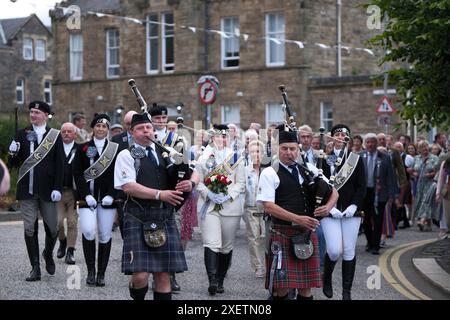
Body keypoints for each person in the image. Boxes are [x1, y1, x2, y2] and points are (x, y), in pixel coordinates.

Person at [114, 113, 191, 300]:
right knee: (140, 275)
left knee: (163, 274)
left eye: (148, 127)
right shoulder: (126, 154)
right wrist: (159, 194)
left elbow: (192, 171)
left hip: (164, 216)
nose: (146, 131)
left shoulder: (165, 152)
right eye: (140, 128)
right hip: (138, 215)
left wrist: (192, 183)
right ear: (132, 133)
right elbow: (128, 186)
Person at [257, 124, 338, 300]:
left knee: (306, 288)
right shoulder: (270, 172)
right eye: (284, 148)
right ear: (278, 149)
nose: (289, 152)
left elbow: (334, 192)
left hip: (306, 234)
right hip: (283, 232)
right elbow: (268, 206)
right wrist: (298, 218)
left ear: (298, 148)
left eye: (292, 148)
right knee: (282, 289)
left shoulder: (309, 168)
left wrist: (328, 207)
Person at [8, 101, 64, 281]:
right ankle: (35, 268)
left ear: (46, 115)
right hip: (27, 190)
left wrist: (57, 187)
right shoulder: (21, 133)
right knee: (29, 228)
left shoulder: (54, 136)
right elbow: (14, 165)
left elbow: (60, 165)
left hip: (48, 191)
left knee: (53, 229)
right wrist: (13, 154)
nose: (33, 115)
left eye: (37, 112)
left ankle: (47, 254)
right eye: (31, 112)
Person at [196, 124, 246, 295]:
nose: (221, 139)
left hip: (230, 207)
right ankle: (212, 280)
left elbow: (241, 183)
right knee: (211, 243)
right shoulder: (203, 157)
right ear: (212, 138)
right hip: (208, 206)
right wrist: (208, 193)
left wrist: (228, 195)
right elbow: (198, 181)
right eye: (218, 136)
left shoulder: (236, 158)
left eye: (224, 136)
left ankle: (221, 279)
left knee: (226, 246)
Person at [321, 124, 366, 300]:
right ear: (331, 138)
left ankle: (346, 292)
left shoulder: (355, 159)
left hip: (349, 211)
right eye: (337, 134)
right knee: (333, 250)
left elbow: (362, 186)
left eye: (344, 135)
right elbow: (318, 187)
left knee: (348, 250)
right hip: (329, 210)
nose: (340, 137)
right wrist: (329, 207)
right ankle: (327, 278)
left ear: (348, 139)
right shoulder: (323, 158)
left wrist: (354, 206)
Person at [73, 113, 119, 287]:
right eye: (98, 126)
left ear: (107, 130)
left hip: (107, 200)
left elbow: (119, 173)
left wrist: (112, 194)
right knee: (88, 231)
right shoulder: (83, 148)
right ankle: (90, 272)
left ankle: (101, 274)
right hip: (88, 200)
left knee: (105, 235)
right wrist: (86, 194)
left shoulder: (114, 150)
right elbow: (77, 173)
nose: (101, 129)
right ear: (93, 128)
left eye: (104, 127)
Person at [361, 133, 397, 255]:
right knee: (365, 220)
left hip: (380, 193)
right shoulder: (360, 156)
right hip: (365, 193)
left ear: (377, 144)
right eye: (368, 142)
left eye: (372, 142)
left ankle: (375, 245)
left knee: (378, 219)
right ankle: (369, 241)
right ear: (365, 144)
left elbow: (390, 176)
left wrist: (392, 195)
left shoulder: (385, 157)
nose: (370, 144)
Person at [111, 110, 138, 237]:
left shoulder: (144, 137)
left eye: (132, 123)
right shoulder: (116, 139)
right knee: (123, 219)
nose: (129, 126)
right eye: (127, 123)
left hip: (141, 184)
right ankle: (127, 248)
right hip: (122, 187)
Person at [56, 123, 79, 265]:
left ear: (75, 134)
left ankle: (70, 251)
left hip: (73, 192)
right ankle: (62, 241)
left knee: (72, 222)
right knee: (57, 222)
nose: (66, 133)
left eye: (69, 131)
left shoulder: (81, 149)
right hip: (58, 192)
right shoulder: (55, 149)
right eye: (63, 131)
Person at [243, 140, 266, 278]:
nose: (255, 154)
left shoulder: (268, 170)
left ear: (262, 153)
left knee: (264, 236)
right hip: (251, 208)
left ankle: (267, 263)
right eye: (252, 151)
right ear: (248, 153)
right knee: (254, 237)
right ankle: (257, 266)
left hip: (267, 209)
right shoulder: (245, 171)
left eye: (258, 151)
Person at [412, 140, 439, 232]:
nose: (425, 149)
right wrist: (414, 173)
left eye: (426, 147)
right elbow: (413, 169)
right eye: (422, 148)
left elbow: (438, 171)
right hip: (419, 184)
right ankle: (428, 224)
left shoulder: (434, 158)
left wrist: (431, 174)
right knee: (420, 202)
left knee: (426, 201)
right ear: (419, 149)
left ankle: (422, 220)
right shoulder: (416, 158)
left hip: (430, 183)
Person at [436, 156, 450, 239]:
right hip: (448, 191)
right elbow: (441, 178)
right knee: (448, 218)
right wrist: (438, 193)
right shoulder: (446, 163)